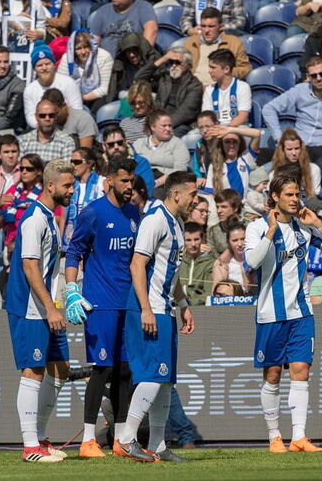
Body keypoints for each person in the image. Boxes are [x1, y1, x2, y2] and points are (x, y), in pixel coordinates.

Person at [245, 174, 322, 453]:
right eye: (289, 194)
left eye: (297, 194)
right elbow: (252, 261)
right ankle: (274, 437)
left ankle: (299, 437)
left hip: (301, 312)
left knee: (301, 371)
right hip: (270, 313)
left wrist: (318, 224)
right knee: (273, 374)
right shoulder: (257, 227)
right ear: (275, 197)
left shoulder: (303, 228)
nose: (295, 200)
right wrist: (270, 231)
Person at [62, 154, 141, 458]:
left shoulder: (134, 213)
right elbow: (74, 252)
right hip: (100, 302)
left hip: (127, 303)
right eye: (124, 180)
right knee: (102, 368)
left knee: (124, 371)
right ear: (110, 180)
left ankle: (120, 439)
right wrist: (71, 289)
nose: (129, 186)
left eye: (132, 180)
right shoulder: (93, 212)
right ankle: (87, 441)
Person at [119, 171, 197, 463]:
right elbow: (137, 265)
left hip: (166, 308)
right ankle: (127, 439)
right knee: (153, 375)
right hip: (150, 309)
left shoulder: (177, 222)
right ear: (176, 194)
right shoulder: (154, 219)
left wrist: (184, 303)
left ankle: (158, 444)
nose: (195, 200)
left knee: (164, 380)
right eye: (192, 194)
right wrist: (146, 309)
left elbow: (170, 271)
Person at [4, 158, 75, 463]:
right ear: (50, 185)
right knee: (33, 371)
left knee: (60, 368)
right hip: (30, 308)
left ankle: (41, 438)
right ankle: (30, 446)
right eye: (67, 185)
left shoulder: (49, 217)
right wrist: (50, 308)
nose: (71, 190)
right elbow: (30, 268)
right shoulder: (34, 219)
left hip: (47, 307)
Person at [263, 56, 322, 158]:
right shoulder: (300, 90)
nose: (319, 78)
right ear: (308, 77)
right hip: (299, 146)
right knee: (264, 158)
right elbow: (268, 109)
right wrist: (279, 137)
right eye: (314, 76)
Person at [90, 0, 158, 57]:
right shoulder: (102, 11)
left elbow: (152, 30)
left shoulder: (143, 7)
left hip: (133, 60)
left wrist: (141, 56)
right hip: (106, 61)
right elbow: (94, 41)